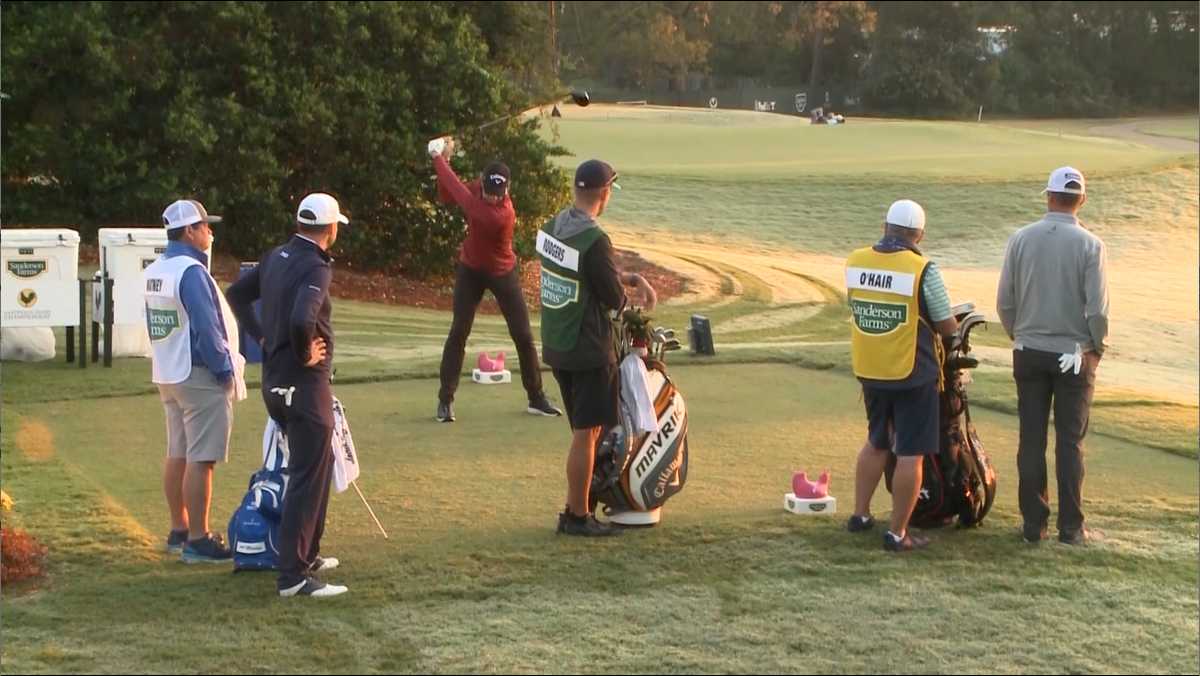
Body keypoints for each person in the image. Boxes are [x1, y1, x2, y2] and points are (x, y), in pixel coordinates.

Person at [226, 192, 350, 597]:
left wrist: (260, 336)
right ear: (330, 229)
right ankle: (294, 576)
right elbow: (302, 318)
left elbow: (237, 295)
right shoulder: (316, 266)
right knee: (306, 476)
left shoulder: (276, 256)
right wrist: (304, 352)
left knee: (317, 464)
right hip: (304, 383)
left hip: (276, 384)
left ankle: (305, 553)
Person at [537, 159, 657, 537]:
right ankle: (576, 516)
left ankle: (580, 507)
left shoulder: (552, 228)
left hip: (558, 343)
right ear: (604, 194)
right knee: (586, 433)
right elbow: (613, 300)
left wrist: (623, 276)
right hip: (588, 348)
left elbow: (581, 271)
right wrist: (637, 306)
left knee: (582, 430)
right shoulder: (595, 240)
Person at [997, 167, 1108, 546]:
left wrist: (1020, 334)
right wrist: (1097, 346)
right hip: (1074, 355)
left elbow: (1005, 303)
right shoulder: (1091, 245)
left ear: (1048, 196)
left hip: (1028, 351)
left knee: (1031, 439)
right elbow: (1097, 311)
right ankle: (1071, 529)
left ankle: (1033, 526)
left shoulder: (1020, 239)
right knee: (1070, 442)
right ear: (1082, 200)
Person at [843, 199, 957, 552]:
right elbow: (946, 325)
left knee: (876, 440)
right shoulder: (922, 268)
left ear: (885, 226)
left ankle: (860, 516)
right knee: (911, 453)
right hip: (912, 372)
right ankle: (897, 533)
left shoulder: (856, 260)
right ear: (919, 234)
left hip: (870, 368)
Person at [429, 136, 562, 423]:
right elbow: (447, 194)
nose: (492, 196)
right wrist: (447, 159)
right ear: (483, 182)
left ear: (507, 189)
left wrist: (438, 157)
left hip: (502, 273)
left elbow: (461, 196)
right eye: (489, 190)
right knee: (458, 332)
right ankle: (445, 400)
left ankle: (536, 398)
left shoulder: (501, 214)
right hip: (471, 270)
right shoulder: (480, 190)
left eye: (497, 193)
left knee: (523, 335)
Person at [143, 199, 247, 563]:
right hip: (198, 372)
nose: (210, 232)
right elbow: (207, 326)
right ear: (189, 231)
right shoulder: (191, 271)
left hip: (169, 370)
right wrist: (225, 371)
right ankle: (199, 539)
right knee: (201, 459)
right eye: (204, 226)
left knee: (178, 453)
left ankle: (179, 529)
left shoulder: (157, 268)